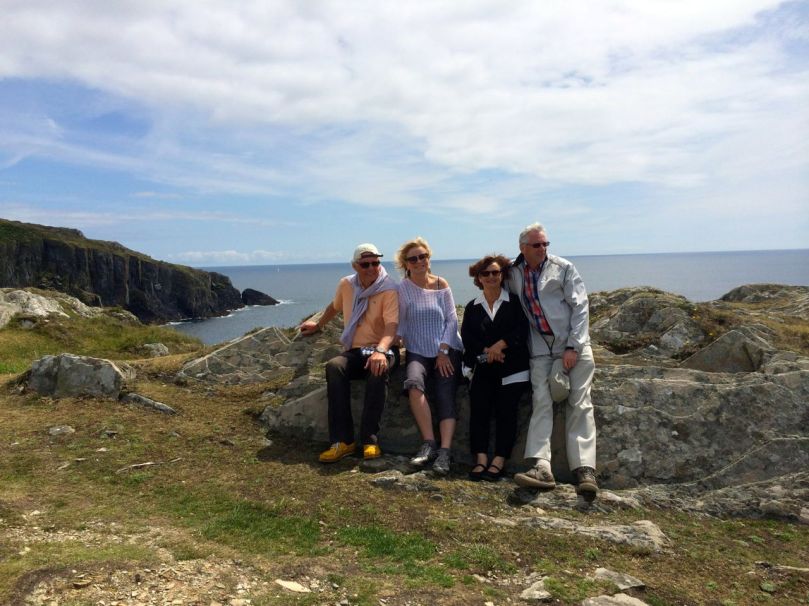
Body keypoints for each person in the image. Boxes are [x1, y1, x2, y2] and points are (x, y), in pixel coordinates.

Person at [507, 222, 599, 497]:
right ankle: (541, 466)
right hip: (541, 349)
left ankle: (585, 469)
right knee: (542, 402)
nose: (543, 249)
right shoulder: (514, 272)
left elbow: (580, 306)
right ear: (523, 248)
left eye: (546, 244)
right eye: (537, 245)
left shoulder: (564, 268)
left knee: (580, 403)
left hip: (574, 346)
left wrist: (573, 346)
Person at [299, 243, 399, 463]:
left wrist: (381, 351)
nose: (372, 268)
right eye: (366, 264)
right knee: (334, 366)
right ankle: (343, 441)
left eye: (376, 262)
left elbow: (392, 326)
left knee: (377, 369)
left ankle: (370, 441)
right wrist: (318, 324)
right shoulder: (347, 285)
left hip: (384, 348)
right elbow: (334, 307)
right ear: (355, 266)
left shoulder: (389, 288)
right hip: (357, 350)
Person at [395, 237, 463, 475]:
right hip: (417, 350)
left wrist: (443, 351)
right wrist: (395, 340)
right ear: (406, 263)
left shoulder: (440, 283)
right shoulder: (403, 287)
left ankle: (444, 452)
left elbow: (452, 319)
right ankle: (428, 444)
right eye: (413, 258)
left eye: (423, 256)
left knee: (445, 394)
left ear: (429, 258)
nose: (419, 261)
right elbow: (401, 319)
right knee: (414, 384)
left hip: (446, 349)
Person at [461, 255, 530, 481]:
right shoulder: (472, 307)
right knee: (479, 411)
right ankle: (480, 460)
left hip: (513, 368)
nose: (491, 277)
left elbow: (521, 331)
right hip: (483, 366)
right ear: (478, 278)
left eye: (496, 273)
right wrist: (487, 351)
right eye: (486, 273)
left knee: (506, 412)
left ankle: (499, 460)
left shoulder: (514, 302)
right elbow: (468, 340)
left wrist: (500, 345)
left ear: (502, 275)